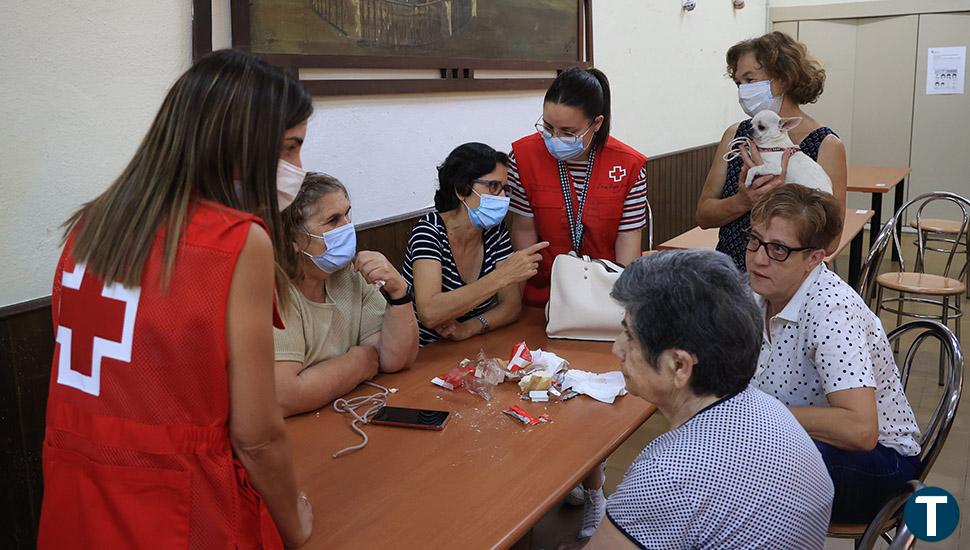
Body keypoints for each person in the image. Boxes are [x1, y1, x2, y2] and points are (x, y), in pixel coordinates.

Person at [38, 50, 313, 549]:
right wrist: (294, 522)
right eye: (290, 148)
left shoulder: (89, 224)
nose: (297, 167)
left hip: (78, 491)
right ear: (239, 144)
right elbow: (257, 436)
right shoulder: (237, 240)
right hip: (181, 507)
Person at [584, 249, 833, 549]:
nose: (617, 349)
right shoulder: (774, 411)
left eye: (630, 336)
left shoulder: (667, 475)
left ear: (679, 366)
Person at [745, 184, 921, 524]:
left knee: (746, 478)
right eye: (755, 240)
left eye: (778, 249)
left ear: (815, 257)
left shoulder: (830, 310)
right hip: (808, 445)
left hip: (881, 463)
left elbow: (860, 430)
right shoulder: (756, 292)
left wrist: (761, 416)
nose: (758, 257)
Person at [696, 31, 848, 271]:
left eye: (750, 80)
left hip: (787, 282)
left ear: (784, 78)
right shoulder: (736, 135)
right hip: (731, 273)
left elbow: (830, 240)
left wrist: (782, 199)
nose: (743, 91)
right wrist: (744, 200)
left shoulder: (825, 144)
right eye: (738, 83)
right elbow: (704, 215)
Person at [274, 173, 419, 417]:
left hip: (342, 414)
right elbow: (284, 396)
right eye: (333, 220)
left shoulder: (349, 274)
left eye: (347, 214)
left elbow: (394, 359)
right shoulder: (274, 292)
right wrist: (360, 363)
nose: (347, 227)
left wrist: (398, 293)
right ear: (293, 239)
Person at [508, 67, 648, 306]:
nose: (554, 138)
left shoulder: (629, 166)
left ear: (596, 123)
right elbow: (523, 232)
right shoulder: (522, 158)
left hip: (605, 294)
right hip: (542, 295)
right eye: (548, 127)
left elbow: (628, 244)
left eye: (567, 132)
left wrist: (624, 306)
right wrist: (514, 306)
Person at [403, 143, 548, 346]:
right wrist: (501, 277)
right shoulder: (429, 231)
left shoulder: (494, 230)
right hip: (424, 352)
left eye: (506, 189)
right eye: (494, 187)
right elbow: (430, 312)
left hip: (468, 346)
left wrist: (469, 328)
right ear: (462, 189)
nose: (503, 197)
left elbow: (511, 306)